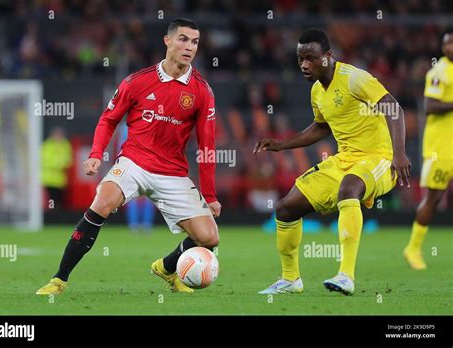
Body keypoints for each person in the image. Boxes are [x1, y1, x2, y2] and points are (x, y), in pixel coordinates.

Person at [36, 18, 221, 295]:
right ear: (167, 41)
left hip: (172, 172)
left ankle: (167, 267)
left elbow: (207, 146)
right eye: (183, 39)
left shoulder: (202, 91)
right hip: (134, 162)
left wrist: (210, 194)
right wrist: (97, 153)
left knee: (209, 238)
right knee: (102, 202)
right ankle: (59, 279)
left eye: (195, 42)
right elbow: (109, 119)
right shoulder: (138, 81)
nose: (189, 47)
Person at [254, 28, 410, 295]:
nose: (305, 64)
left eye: (311, 58)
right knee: (286, 208)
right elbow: (321, 128)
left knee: (348, 189)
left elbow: (393, 108)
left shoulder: (354, 78)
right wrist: (282, 144)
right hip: (345, 160)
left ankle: (345, 276)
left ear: (327, 55)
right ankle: (291, 279)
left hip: (380, 158)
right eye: (300, 58)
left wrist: (399, 153)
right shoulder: (317, 90)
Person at [404, 29, 453, 270]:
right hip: (441, 146)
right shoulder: (439, 72)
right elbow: (430, 105)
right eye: (447, 43)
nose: (450, 47)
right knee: (434, 198)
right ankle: (413, 248)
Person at [41, 127, 73, 209]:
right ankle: (50, 216)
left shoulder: (65, 145)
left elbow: (69, 160)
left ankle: (56, 216)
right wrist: (60, 164)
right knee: (51, 201)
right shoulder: (47, 145)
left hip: (61, 180)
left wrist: (62, 163)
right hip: (49, 180)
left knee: (60, 201)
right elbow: (46, 161)